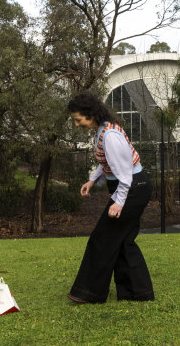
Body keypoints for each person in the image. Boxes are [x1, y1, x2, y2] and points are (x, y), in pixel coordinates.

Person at [66, 92, 155, 304]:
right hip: (131, 186)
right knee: (123, 241)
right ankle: (137, 293)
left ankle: (89, 293)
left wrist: (119, 201)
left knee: (102, 238)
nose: (77, 125)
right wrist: (93, 181)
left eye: (78, 120)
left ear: (90, 115)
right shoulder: (102, 131)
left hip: (132, 188)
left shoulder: (110, 136)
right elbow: (107, 163)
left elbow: (125, 175)